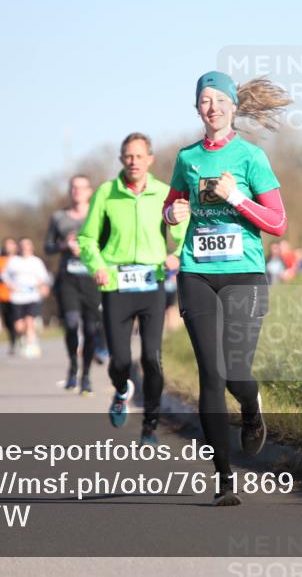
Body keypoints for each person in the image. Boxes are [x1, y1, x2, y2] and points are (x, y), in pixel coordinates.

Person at [163, 72, 290, 505]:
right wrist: (171, 215)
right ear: (197, 108)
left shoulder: (251, 157)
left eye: (220, 100)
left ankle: (252, 410)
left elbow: (278, 222)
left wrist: (237, 197)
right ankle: (223, 480)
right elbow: (171, 204)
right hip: (196, 273)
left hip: (244, 276)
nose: (212, 107)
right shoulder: (187, 158)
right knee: (211, 375)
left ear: (234, 107)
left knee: (236, 372)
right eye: (205, 100)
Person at [79, 133, 186, 444]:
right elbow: (87, 238)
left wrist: (177, 256)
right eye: (128, 156)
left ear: (150, 159)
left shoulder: (164, 193)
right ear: (121, 159)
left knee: (152, 359)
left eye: (139, 156)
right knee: (120, 362)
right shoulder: (106, 193)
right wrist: (97, 266)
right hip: (116, 284)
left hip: (153, 283)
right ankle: (122, 389)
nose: (133, 161)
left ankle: (150, 426)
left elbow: (183, 234)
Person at [45, 175, 105, 393]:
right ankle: (73, 365)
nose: (77, 191)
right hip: (67, 278)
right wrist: (64, 245)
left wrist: (88, 248)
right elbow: (48, 247)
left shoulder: (99, 214)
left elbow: (109, 242)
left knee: (90, 328)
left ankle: (86, 375)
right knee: (71, 323)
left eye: (81, 187)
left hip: (92, 278)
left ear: (90, 191)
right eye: (73, 187)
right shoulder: (58, 217)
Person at [3, 237, 50, 358]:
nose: (25, 247)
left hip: (32, 296)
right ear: (19, 247)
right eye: (22, 245)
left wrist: (42, 286)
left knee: (30, 320)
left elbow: (44, 278)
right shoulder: (13, 261)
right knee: (19, 326)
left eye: (27, 245)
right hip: (18, 297)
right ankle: (26, 337)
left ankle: (31, 344)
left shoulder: (36, 261)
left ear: (31, 247)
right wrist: (11, 285)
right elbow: (4, 276)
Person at [0, 237, 19, 355]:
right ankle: (13, 341)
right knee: (8, 321)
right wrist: (0, 278)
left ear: (15, 246)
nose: (8, 247)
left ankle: (21, 338)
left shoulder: (19, 260)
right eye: (6, 245)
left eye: (11, 244)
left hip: (19, 296)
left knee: (18, 320)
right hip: (3, 295)